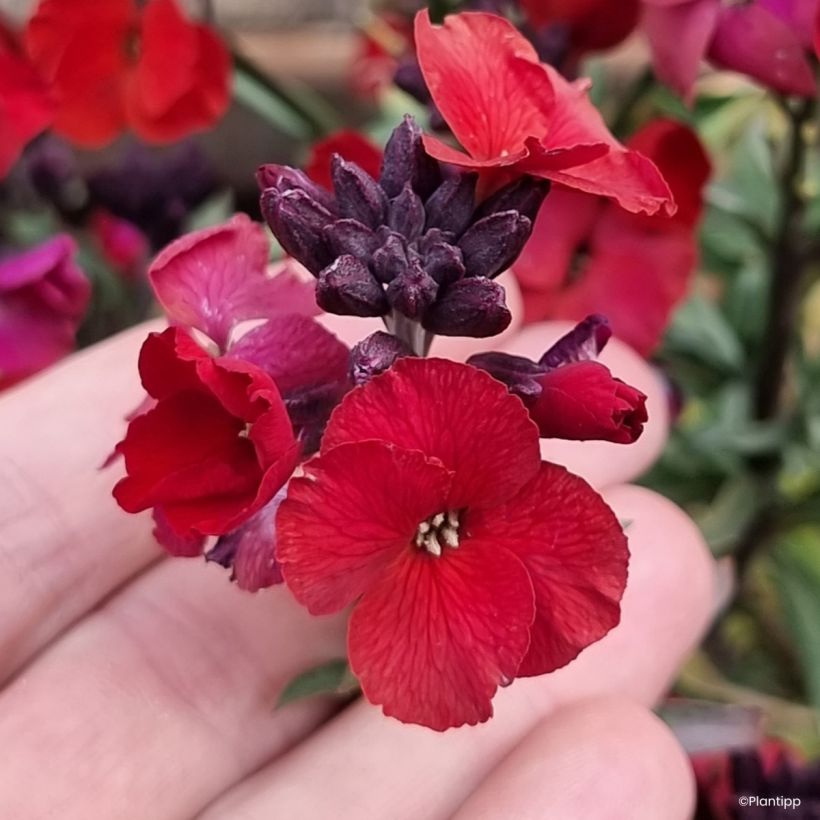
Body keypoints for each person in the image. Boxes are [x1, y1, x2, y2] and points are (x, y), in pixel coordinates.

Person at [0, 318, 716, 819]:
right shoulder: (371, 486)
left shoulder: (448, 447)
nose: (443, 535)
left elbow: (561, 589)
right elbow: (343, 495)